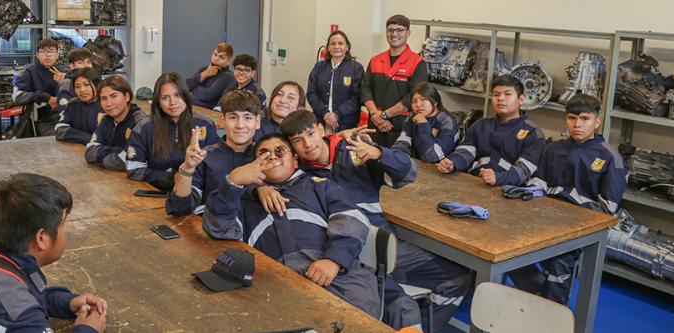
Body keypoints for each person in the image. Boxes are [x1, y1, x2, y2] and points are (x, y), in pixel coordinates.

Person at [276, 110, 471, 330]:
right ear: (292, 149)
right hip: (341, 252)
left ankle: (427, 325)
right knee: (395, 306)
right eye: (297, 141)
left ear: (321, 129)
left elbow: (409, 173)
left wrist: (379, 153)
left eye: (310, 133)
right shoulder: (297, 173)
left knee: (456, 279)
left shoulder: (354, 149)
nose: (307, 144)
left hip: (382, 247)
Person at [203, 133, 381, 321]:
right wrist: (233, 182)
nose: (272, 156)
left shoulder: (320, 187)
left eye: (279, 151)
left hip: (340, 277)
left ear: (295, 161)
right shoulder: (243, 202)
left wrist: (334, 260)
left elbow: (352, 219)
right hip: (277, 290)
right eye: (263, 153)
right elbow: (218, 228)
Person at [0, 173, 107, 333]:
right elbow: (16, 306)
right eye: (63, 223)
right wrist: (87, 329)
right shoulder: (20, 314)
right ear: (41, 238)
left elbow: (30, 295)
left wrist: (65, 303)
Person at [510, 94, 628, 305]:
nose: (577, 124)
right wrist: (528, 193)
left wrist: (566, 204)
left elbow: (607, 209)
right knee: (506, 246)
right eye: (572, 118)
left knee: (558, 260)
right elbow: (539, 180)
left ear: (597, 121)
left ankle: (553, 312)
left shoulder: (612, 158)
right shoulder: (554, 148)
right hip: (544, 219)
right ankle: (538, 294)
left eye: (585, 119)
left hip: (579, 230)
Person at [438, 75, 545, 186]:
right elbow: (466, 151)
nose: (501, 98)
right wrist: (452, 163)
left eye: (507, 94)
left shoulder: (533, 133)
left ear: (521, 99)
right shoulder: (481, 125)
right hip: (475, 182)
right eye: (496, 94)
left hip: (509, 191)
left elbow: (524, 170)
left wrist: (499, 178)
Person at [167, 90, 260, 216]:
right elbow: (179, 208)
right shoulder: (204, 157)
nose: (240, 125)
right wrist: (188, 168)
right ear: (222, 120)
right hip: (213, 229)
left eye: (247, 117)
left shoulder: (266, 157)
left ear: (257, 121)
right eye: (233, 117)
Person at [126, 72, 219, 191]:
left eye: (178, 95)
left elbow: (215, 165)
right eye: (165, 98)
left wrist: (188, 178)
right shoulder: (144, 128)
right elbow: (133, 168)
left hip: (198, 193)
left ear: (186, 96)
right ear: (158, 102)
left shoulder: (205, 124)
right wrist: (171, 178)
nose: (173, 102)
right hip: (157, 193)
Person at [362, 15, 429, 147]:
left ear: (408, 33)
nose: (394, 34)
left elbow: (414, 96)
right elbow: (365, 90)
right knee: (371, 164)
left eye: (400, 30)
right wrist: (377, 116)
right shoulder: (375, 60)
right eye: (390, 30)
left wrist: (385, 115)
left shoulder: (417, 63)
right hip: (374, 126)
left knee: (396, 165)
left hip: (401, 128)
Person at [307, 30, 365, 132]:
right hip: (321, 121)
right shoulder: (319, 67)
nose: (336, 46)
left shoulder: (356, 68)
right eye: (333, 44)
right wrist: (325, 113)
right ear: (328, 48)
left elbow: (357, 97)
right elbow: (311, 94)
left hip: (346, 123)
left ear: (347, 47)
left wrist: (337, 115)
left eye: (340, 43)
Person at [84, 75, 146, 170]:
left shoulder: (140, 122)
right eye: (104, 98)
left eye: (114, 96)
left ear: (127, 97)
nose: (108, 103)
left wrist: (103, 158)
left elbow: (127, 160)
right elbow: (90, 152)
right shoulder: (106, 119)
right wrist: (118, 150)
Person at [392, 82, 461, 163]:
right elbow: (403, 141)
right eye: (414, 101)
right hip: (420, 165)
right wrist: (394, 155)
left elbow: (432, 157)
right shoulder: (412, 116)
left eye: (422, 100)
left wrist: (423, 125)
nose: (418, 105)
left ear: (435, 102)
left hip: (443, 169)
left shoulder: (447, 122)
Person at [14, 38, 64, 135]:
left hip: (65, 115)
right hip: (43, 119)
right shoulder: (29, 72)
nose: (48, 54)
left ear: (57, 55)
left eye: (51, 51)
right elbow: (18, 96)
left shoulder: (63, 72)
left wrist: (64, 82)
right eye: (43, 51)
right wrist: (46, 98)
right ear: (37, 55)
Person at [55, 68, 104, 144]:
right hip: (76, 149)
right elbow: (60, 130)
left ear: (97, 85)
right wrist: (88, 139)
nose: (82, 90)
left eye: (86, 85)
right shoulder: (73, 104)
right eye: (77, 86)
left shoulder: (107, 105)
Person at [186, 42, 236, 108]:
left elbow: (206, 96)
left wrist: (195, 87)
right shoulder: (204, 69)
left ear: (228, 61)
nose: (216, 58)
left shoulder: (229, 76)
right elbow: (185, 87)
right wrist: (205, 74)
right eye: (215, 54)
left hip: (209, 113)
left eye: (221, 57)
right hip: (192, 108)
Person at [57, 48, 96, 113]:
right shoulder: (67, 83)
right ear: (72, 66)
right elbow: (64, 110)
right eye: (80, 62)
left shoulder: (95, 80)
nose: (86, 66)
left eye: (88, 62)